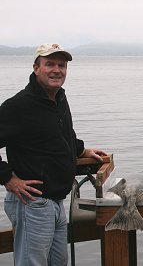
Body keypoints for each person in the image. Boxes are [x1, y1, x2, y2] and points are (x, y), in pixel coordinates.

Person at [0, 43, 107, 266]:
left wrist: (82, 150)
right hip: (32, 202)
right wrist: (8, 179)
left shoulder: (58, 99)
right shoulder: (18, 106)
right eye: (50, 64)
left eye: (62, 65)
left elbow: (61, 134)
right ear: (36, 68)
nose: (57, 70)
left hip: (57, 201)